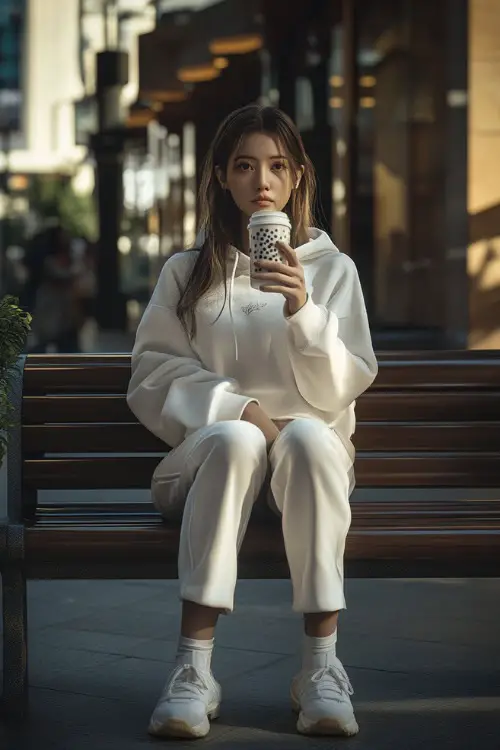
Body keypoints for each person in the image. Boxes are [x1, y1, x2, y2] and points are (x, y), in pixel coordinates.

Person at [127, 104, 378, 740]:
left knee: (311, 436)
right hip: (211, 460)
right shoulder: (187, 272)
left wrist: (303, 313)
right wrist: (241, 409)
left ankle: (321, 669)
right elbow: (152, 376)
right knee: (238, 438)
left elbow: (342, 387)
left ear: (297, 180)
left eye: (275, 167)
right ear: (221, 177)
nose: (260, 182)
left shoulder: (332, 271)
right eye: (244, 166)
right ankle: (193, 670)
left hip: (306, 466)